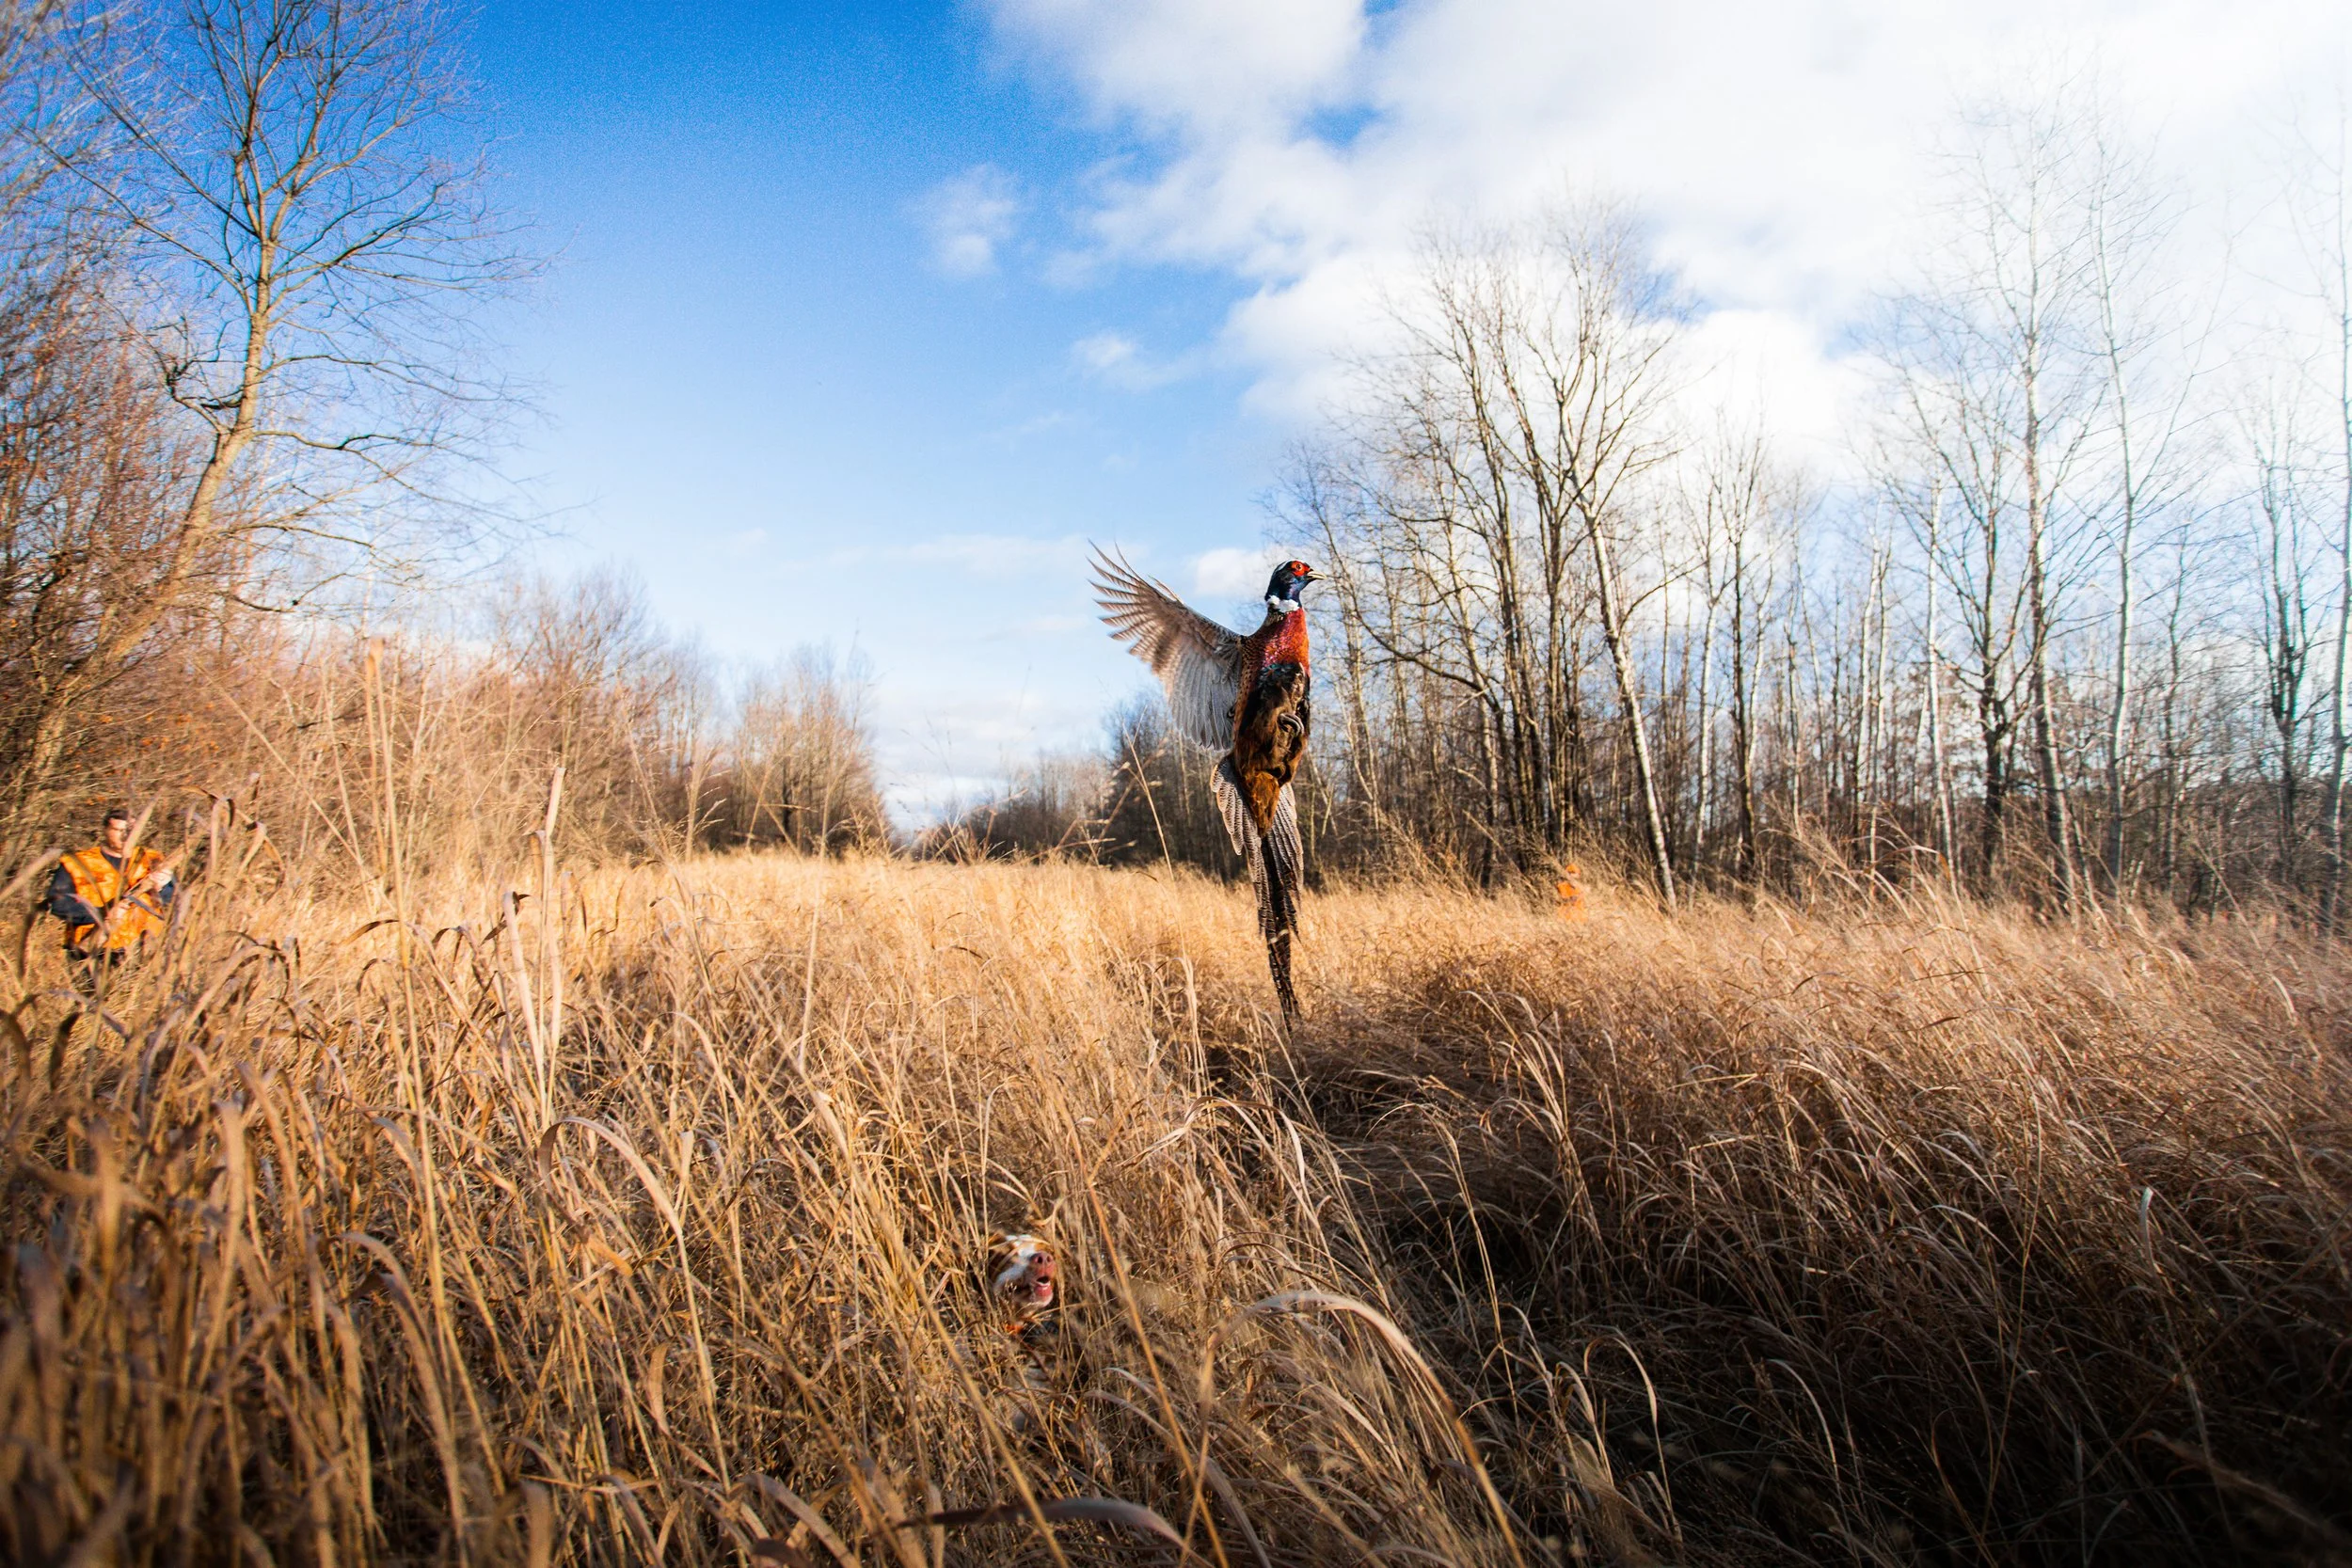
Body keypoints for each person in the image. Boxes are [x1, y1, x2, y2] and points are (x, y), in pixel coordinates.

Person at [47, 807, 177, 957]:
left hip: (143, 951)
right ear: (105, 830)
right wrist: (101, 914)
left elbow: (173, 898)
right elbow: (57, 905)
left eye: (131, 831)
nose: (126, 837)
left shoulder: (153, 859)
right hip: (91, 951)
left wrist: (160, 888)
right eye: (119, 830)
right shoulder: (77, 863)